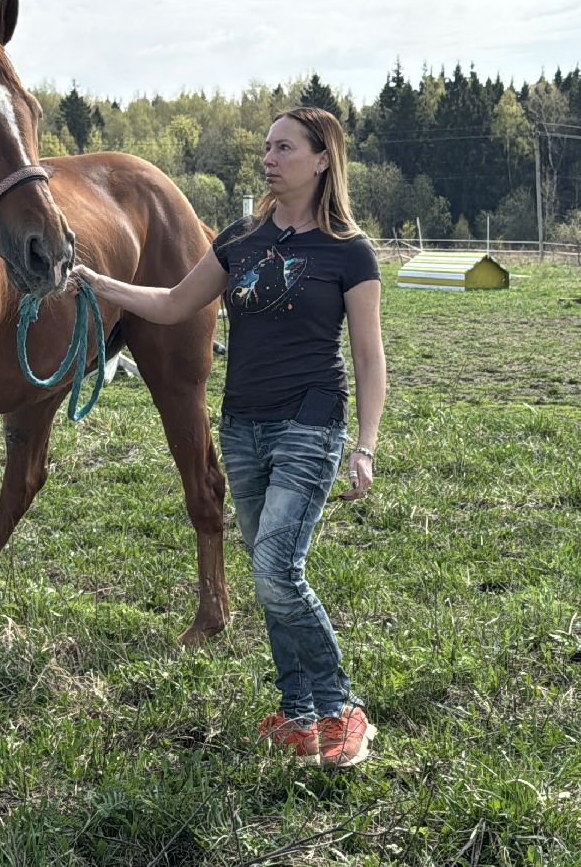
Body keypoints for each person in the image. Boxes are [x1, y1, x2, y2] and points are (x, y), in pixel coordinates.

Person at [72, 106, 385, 768]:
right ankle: (299, 715)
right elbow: (171, 304)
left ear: (322, 159)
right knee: (270, 575)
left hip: (310, 422)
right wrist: (100, 284)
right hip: (241, 427)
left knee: (276, 571)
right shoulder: (240, 241)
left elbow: (368, 354)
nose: (271, 158)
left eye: (286, 148)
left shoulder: (349, 250)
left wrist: (365, 444)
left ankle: (341, 708)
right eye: (268, 147)